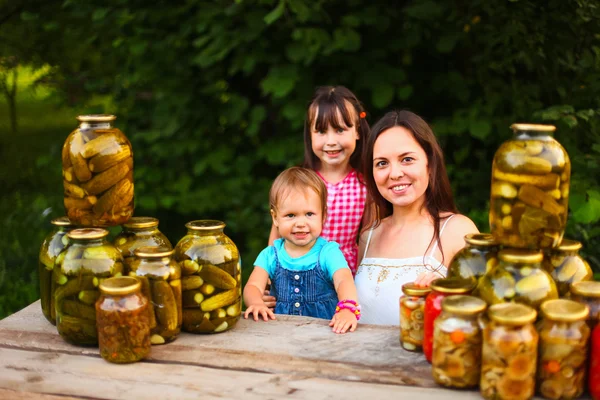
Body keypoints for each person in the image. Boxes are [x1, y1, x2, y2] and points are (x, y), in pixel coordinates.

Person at [355, 110, 479, 325]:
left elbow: (486, 309)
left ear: (429, 165)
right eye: (382, 163)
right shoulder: (369, 235)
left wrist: (448, 293)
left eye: (407, 159)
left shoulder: (457, 230)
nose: (394, 173)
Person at [267, 86, 370, 276]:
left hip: (346, 276)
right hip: (298, 272)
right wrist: (268, 276)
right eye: (321, 131)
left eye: (340, 130)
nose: (330, 141)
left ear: (357, 131)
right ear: (310, 135)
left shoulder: (366, 186)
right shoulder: (298, 182)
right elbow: (276, 237)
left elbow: (368, 241)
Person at [245, 167, 360, 334]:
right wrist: (256, 302)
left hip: (327, 332)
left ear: (323, 216)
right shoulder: (270, 255)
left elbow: (344, 280)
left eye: (309, 214)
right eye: (291, 215)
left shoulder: (329, 253)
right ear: (275, 218)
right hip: (279, 332)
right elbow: (253, 286)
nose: (300, 223)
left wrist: (347, 308)